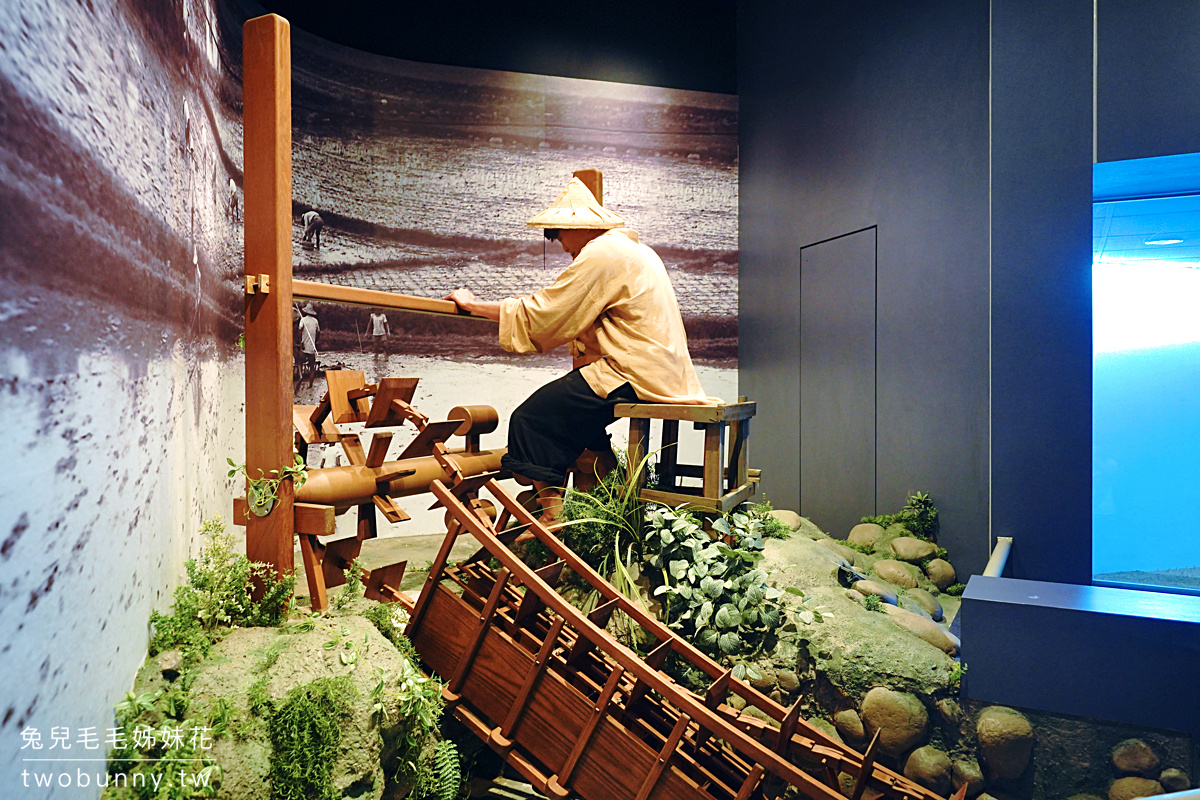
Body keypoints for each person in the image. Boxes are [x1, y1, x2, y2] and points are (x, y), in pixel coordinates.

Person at [446, 177, 711, 524]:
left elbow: (546, 312)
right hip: (658, 366)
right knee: (583, 424)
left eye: (560, 235)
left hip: (636, 371)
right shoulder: (632, 249)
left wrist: (475, 305)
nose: (561, 246)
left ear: (579, 226)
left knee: (532, 418)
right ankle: (610, 503)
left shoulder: (601, 253)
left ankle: (554, 520)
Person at [298, 303, 320, 386]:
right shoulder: (315, 321)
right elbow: (318, 333)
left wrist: (301, 341)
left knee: (300, 362)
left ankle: (300, 376)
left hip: (304, 347)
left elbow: (299, 331)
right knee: (312, 366)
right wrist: (315, 341)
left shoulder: (303, 320)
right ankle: (311, 383)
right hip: (311, 347)